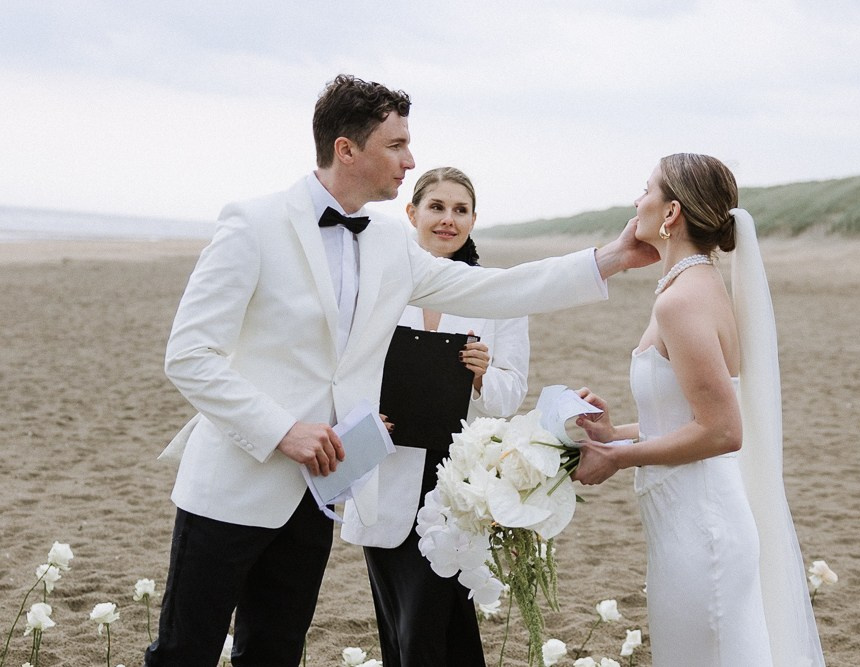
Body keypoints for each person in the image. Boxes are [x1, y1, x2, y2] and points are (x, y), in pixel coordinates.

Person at [148, 74, 657, 666]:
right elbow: (188, 355)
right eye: (396, 146)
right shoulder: (253, 224)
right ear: (347, 149)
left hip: (320, 489)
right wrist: (284, 430)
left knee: (274, 652)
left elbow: (495, 289)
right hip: (232, 483)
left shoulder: (390, 242)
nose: (409, 159)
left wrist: (612, 258)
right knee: (184, 651)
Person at [572, 153, 825, 666]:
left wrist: (621, 458)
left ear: (671, 214)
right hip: (682, 519)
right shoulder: (687, 286)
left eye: (646, 189)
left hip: (703, 527)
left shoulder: (682, 300)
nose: (635, 200)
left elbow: (723, 432)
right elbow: (687, 419)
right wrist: (613, 432)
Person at [341, 166, 529, 666]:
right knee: (403, 624)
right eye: (437, 208)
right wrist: (364, 418)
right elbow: (343, 375)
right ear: (412, 213)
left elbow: (510, 396)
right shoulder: (374, 287)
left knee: (429, 623)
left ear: (472, 220)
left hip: (457, 486)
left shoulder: (496, 293)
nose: (448, 220)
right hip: (385, 467)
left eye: (460, 210)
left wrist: (483, 374)